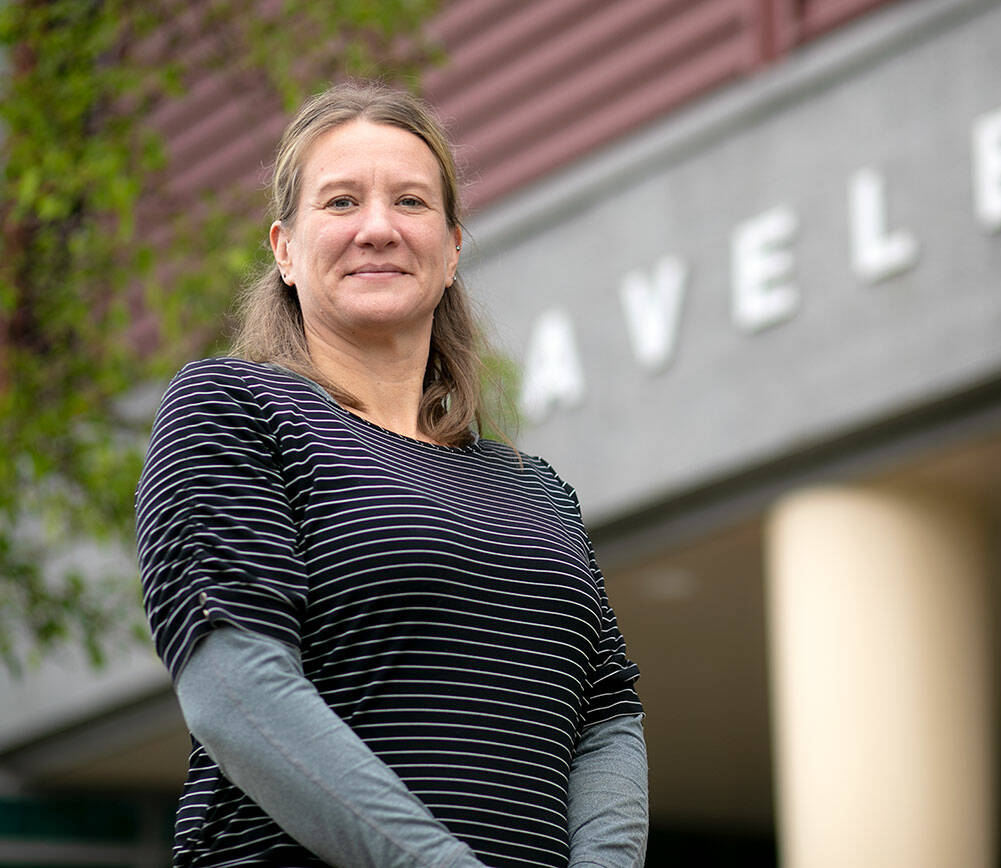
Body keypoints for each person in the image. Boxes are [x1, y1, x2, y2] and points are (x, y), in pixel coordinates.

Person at [135, 82, 648, 868]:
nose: (378, 228)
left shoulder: (535, 486)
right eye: (341, 203)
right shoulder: (232, 408)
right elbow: (233, 691)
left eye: (410, 202)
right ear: (284, 250)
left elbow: (608, 715)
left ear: (450, 251)